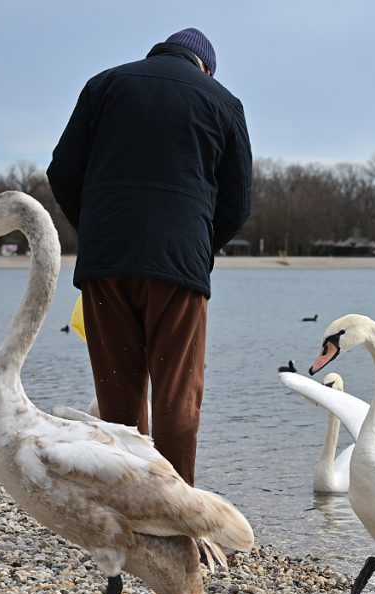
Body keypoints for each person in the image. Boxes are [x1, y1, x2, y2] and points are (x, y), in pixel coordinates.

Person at [47, 28, 252, 486]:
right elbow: (238, 204)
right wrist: (197, 246)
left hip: (106, 263)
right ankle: (177, 520)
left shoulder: (103, 85)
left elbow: (62, 172)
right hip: (179, 267)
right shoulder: (223, 102)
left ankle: (131, 511)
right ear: (206, 68)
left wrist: (99, 231)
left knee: (117, 394)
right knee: (177, 395)